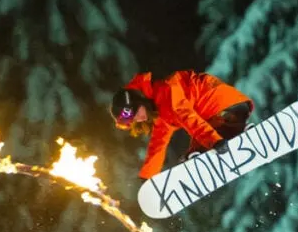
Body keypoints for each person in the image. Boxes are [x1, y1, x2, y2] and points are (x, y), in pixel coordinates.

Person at [109, 71, 255, 180]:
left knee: (195, 151)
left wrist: (214, 141)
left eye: (134, 112)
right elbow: (157, 144)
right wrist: (147, 177)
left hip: (222, 108)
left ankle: (234, 129)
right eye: (131, 119)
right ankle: (236, 129)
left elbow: (188, 117)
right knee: (194, 150)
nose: (137, 119)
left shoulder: (166, 92)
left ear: (139, 99)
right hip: (230, 108)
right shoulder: (161, 111)